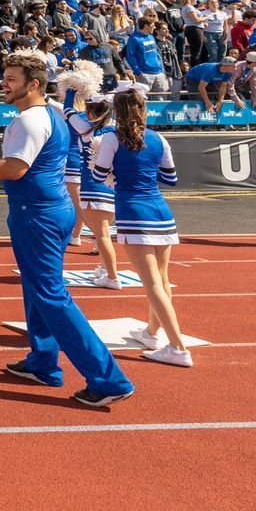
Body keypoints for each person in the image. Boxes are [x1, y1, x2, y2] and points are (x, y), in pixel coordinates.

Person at [0, 50, 136, 408]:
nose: (3, 84)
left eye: (10, 79)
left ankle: (109, 379)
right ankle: (43, 362)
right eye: (4, 77)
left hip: (38, 216)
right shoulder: (53, 113)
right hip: (49, 212)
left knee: (50, 295)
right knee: (37, 289)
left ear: (33, 84)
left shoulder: (31, 120)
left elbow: (14, 169)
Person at [90, 85, 192, 366]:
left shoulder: (111, 138)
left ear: (117, 111)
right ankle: (151, 332)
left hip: (134, 213)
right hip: (161, 211)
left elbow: (99, 176)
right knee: (161, 278)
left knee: (152, 284)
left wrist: (116, 171)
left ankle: (178, 347)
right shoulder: (159, 138)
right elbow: (171, 179)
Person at [60, 89, 122, 288]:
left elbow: (67, 109)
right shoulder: (115, 129)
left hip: (93, 185)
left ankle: (112, 277)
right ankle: (105, 270)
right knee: (102, 233)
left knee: (102, 235)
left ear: (91, 114)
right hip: (110, 185)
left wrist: (71, 88)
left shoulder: (86, 129)